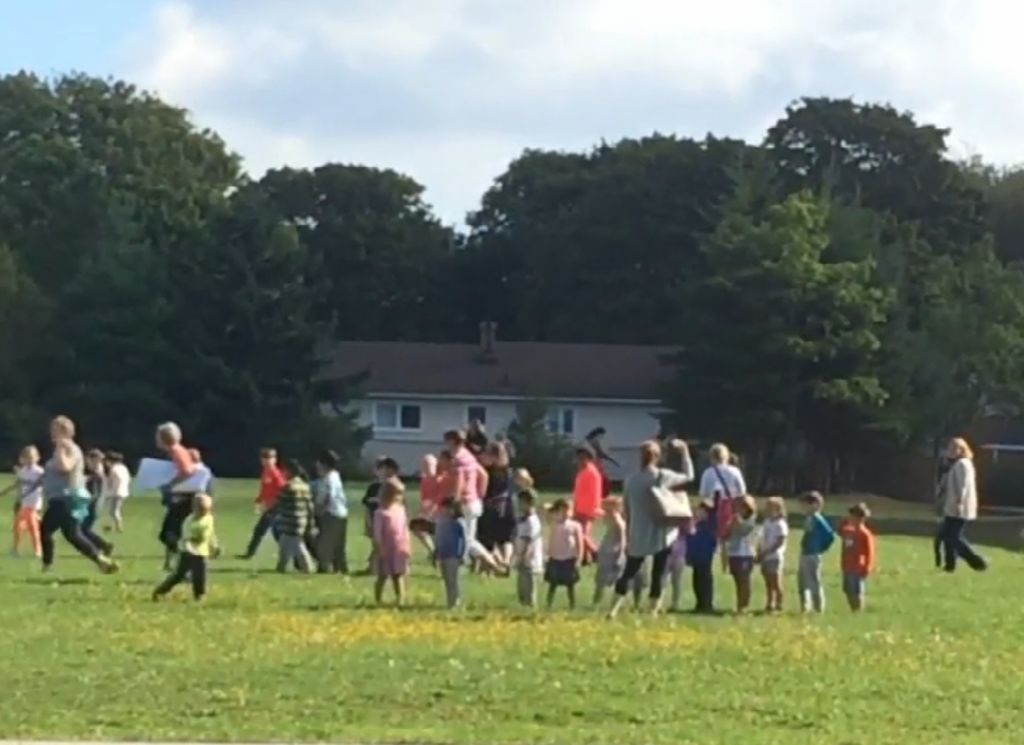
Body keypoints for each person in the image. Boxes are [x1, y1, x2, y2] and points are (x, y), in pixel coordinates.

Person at [608, 439, 693, 619]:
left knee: (629, 572)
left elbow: (628, 509)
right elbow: (689, 476)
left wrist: (629, 532)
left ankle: (613, 609)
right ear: (657, 457)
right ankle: (652, 611)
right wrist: (685, 452)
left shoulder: (630, 480)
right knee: (658, 573)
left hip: (638, 532)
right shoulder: (662, 476)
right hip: (661, 532)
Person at [39, 416, 118, 574]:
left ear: (64, 431)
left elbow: (65, 467)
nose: (51, 432)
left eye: (54, 429)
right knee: (72, 534)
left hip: (66, 498)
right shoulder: (63, 447)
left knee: (46, 530)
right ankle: (101, 559)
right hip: (62, 498)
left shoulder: (69, 447)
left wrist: (61, 448)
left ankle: (47, 564)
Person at [444, 430, 502, 574]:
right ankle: (472, 563)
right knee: (468, 538)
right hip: (474, 502)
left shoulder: (458, 459)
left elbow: (459, 480)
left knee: (467, 541)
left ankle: (493, 564)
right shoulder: (468, 456)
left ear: (452, 441)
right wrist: (479, 495)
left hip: (464, 504)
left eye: (447, 441)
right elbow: (483, 475)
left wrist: (455, 501)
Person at [153, 493, 218, 602]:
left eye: (205, 510)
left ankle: (199, 596)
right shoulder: (189, 521)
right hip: (188, 552)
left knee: (200, 575)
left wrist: (214, 545)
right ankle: (160, 591)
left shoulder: (209, 518)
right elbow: (186, 538)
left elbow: (211, 533)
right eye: (200, 510)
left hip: (202, 553)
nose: (203, 513)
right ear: (194, 508)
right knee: (178, 575)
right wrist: (191, 545)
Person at [936, 437, 987, 573]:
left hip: (959, 507)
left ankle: (977, 562)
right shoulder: (955, 464)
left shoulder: (963, 464)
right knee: (948, 536)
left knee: (954, 537)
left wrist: (959, 502)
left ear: (962, 450)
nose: (951, 451)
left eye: (955, 448)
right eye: (950, 448)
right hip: (952, 507)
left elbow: (963, 486)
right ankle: (949, 566)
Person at [698, 443, 747, 571]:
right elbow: (742, 490)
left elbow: (703, 493)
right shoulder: (734, 471)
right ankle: (727, 565)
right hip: (731, 505)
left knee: (714, 535)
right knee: (729, 536)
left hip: (713, 506)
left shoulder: (708, 472)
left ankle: (715, 563)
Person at [156, 421, 198, 570]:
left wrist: (170, 485)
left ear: (163, 438)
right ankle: (173, 564)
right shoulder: (177, 451)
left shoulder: (176, 451)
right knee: (169, 533)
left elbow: (187, 471)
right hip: (180, 498)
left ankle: (185, 566)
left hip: (183, 498)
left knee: (170, 533)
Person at [593, 495, 643, 606]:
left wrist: (621, 553)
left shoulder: (617, 519)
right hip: (607, 550)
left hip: (613, 551)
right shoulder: (611, 517)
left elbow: (622, 537)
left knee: (609, 579)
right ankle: (598, 602)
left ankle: (604, 602)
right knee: (601, 579)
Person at [239, 448, 287, 560]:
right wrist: (259, 500)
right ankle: (250, 553)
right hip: (269, 507)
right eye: (264, 458)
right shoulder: (265, 472)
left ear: (275, 459)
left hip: (275, 508)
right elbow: (264, 489)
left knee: (269, 531)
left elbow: (283, 488)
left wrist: (276, 503)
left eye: (269, 458)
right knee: (266, 531)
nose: (267, 461)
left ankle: (289, 554)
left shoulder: (275, 473)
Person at [373, 477, 411, 606]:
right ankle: (378, 599)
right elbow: (377, 533)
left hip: (399, 546)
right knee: (383, 575)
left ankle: (400, 598)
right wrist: (379, 547)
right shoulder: (381, 513)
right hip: (386, 547)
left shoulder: (400, 510)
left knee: (398, 574)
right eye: (397, 494)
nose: (400, 497)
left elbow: (404, 528)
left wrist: (407, 544)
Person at [479, 442, 516, 569]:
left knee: (487, 538)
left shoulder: (488, 471)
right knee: (506, 538)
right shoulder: (508, 470)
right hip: (508, 506)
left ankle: (498, 563)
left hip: (492, 507)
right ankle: (506, 560)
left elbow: (486, 490)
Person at [798, 491, 836, 613]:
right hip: (805, 553)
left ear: (814, 504)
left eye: (805, 505)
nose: (803, 508)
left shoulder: (818, 519)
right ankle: (805, 606)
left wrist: (821, 548)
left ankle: (818, 608)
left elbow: (830, 535)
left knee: (814, 581)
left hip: (813, 554)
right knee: (802, 581)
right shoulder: (808, 518)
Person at [276, 459, 316, 573]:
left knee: (297, 546)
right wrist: (311, 522)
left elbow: (279, 502)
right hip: (301, 519)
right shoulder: (305, 486)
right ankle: (281, 566)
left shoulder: (288, 486)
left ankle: (308, 567)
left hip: (290, 520)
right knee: (285, 542)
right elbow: (310, 506)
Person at [313, 449, 349, 574]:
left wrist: (319, 510)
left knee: (325, 545)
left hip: (331, 514)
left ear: (323, 463)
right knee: (338, 545)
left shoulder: (329, 478)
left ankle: (325, 568)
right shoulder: (335, 475)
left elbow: (329, 496)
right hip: (341, 513)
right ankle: (340, 568)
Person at [361, 457, 399, 574]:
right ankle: (374, 567)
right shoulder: (373, 487)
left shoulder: (393, 486)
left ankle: (377, 568)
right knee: (377, 544)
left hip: (388, 520)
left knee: (384, 545)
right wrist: (367, 522)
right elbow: (367, 506)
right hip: (374, 520)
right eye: (379, 468)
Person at [544, 499, 583, 610]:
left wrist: (579, 559)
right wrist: (553, 508)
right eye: (562, 510)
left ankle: (572, 605)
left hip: (569, 558)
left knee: (570, 584)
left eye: (568, 510)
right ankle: (549, 605)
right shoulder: (554, 522)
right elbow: (545, 509)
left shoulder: (575, 525)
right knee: (553, 583)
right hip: (555, 557)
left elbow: (580, 543)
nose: (565, 513)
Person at [840, 502, 876, 612]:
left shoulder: (865, 534)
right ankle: (853, 608)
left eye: (852, 516)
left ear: (860, 518)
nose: (850, 518)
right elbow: (841, 531)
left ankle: (858, 609)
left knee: (856, 591)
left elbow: (870, 553)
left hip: (857, 567)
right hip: (847, 566)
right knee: (847, 589)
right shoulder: (848, 531)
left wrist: (867, 567)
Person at [9, 446, 44, 557]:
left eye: (32, 457)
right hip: (25, 503)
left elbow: (42, 484)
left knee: (32, 526)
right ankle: (16, 549)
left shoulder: (39, 471)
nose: (29, 460)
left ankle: (37, 550)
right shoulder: (22, 471)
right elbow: (17, 485)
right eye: (27, 457)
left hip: (34, 503)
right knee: (18, 526)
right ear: (22, 459)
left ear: (37, 458)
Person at [725, 495, 758, 614]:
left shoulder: (751, 520)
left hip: (745, 554)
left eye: (741, 507)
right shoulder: (734, 518)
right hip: (734, 553)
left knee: (744, 580)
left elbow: (744, 532)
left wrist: (737, 522)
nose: (738, 509)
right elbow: (727, 535)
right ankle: (739, 604)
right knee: (737, 580)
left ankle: (744, 606)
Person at [571, 447, 603, 565]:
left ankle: (596, 553)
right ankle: (586, 558)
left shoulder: (592, 473)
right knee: (581, 535)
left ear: (589, 458)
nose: (579, 460)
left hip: (588, 510)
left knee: (583, 535)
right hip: (580, 508)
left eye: (582, 458)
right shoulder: (582, 472)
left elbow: (595, 493)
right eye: (578, 458)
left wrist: (591, 511)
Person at [757, 497, 789, 613]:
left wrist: (767, 551)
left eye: (770, 507)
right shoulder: (767, 522)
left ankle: (779, 603)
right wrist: (759, 551)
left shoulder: (780, 524)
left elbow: (780, 541)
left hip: (775, 556)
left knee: (775, 581)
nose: (767, 509)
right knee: (768, 582)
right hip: (765, 555)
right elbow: (761, 537)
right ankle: (770, 602)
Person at [434, 497, 467, 609]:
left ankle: (455, 602)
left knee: (453, 580)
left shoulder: (459, 522)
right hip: (443, 555)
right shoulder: (441, 522)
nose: (444, 511)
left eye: (447, 508)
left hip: (454, 556)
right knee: (447, 580)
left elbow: (465, 540)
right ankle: (450, 601)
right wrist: (436, 552)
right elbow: (438, 539)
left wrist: (462, 555)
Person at [686, 500, 717, 614]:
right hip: (695, 557)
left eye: (703, 511)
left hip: (705, 557)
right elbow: (690, 538)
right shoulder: (695, 524)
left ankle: (706, 604)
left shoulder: (710, 526)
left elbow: (711, 542)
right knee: (696, 580)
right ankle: (699, 603)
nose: (700, 513)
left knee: (705, 580)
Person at [514, 489, 544, 609]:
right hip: (522, 558)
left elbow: (529, 541)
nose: (519, 505)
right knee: (521, 589)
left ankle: (530, 609)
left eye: (521, 502)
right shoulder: (523, 519)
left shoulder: (532, 521)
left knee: (529, 588)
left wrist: (522, 557)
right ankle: (523, 607)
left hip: (529, 561)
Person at [410, 454, 441, 560]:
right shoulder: (424, 481)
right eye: (424, 465)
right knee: (416, 527)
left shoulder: (439, 479)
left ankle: (437, 554)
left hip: (439, 511)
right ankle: (432, 551)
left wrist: (431, 510)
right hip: (429, 512)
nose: (426, 467)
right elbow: (425, 500)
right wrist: (421, 512)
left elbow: (439, 498)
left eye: (429, 465)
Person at [667, 517, 694, 613]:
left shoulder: (683, 521)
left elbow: (692, 531)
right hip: (665, 553)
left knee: (676, 581)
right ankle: (657, 602)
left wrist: (686, 520)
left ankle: (675, 603)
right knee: (662, 579)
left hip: (679, 554)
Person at [584, 427, 619, 497]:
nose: (601, 437)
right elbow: (598, 454)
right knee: (600, 481)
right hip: (593, 465)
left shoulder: (595, 442)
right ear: (597, 434)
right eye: (601, 435)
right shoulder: (589, 443)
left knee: (604, 481)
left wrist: (611, 460)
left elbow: (601, 453)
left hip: (597, 464)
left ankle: (600, 495)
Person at [103, 451, 131, 533]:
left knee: (113, 511)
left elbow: (110, 481)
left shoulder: (113, 469)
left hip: (116, 492)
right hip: (123, 491)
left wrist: (108, 490)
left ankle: (118, 527)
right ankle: (111, 526)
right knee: (113, 510)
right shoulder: (123, 468)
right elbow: (129, 479)